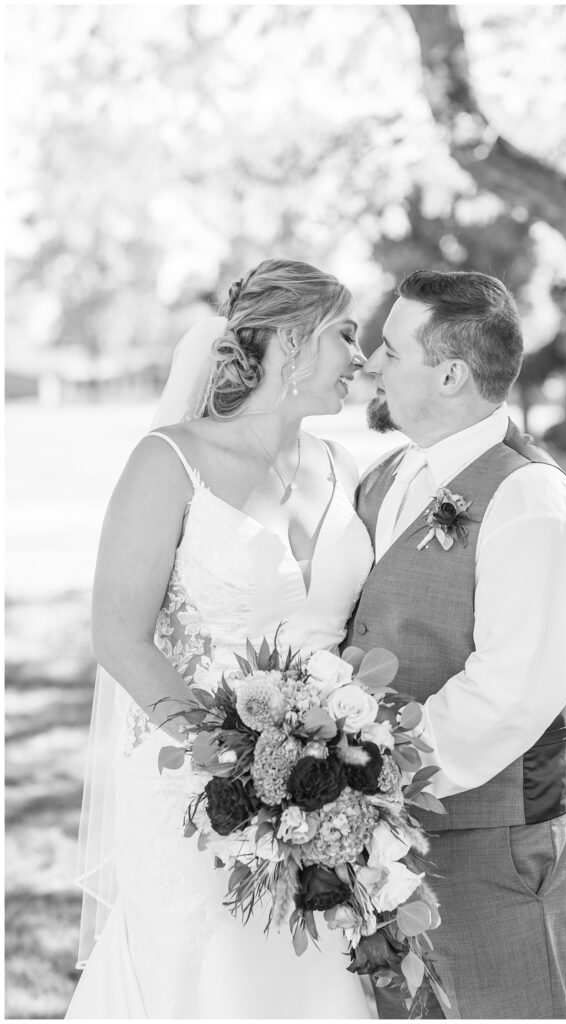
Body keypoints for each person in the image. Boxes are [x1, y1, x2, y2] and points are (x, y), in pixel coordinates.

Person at [67, 258, 374, 1019]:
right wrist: (239, 768)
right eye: (348, 334)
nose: (361, 358)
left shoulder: (344, 466)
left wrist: (326, 766)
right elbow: (119, 635)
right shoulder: (170, 460)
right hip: (192, 784)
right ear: (294, 344)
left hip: (322, 788)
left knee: (310, 983)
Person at [347, 270, 566, 1019]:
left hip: (498, 837)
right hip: (394, 833)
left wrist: (373, 772)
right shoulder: (389, 475)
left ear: (451, 372)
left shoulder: (531, 499)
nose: (372, 363)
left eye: (391, 350)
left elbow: (515, 685)